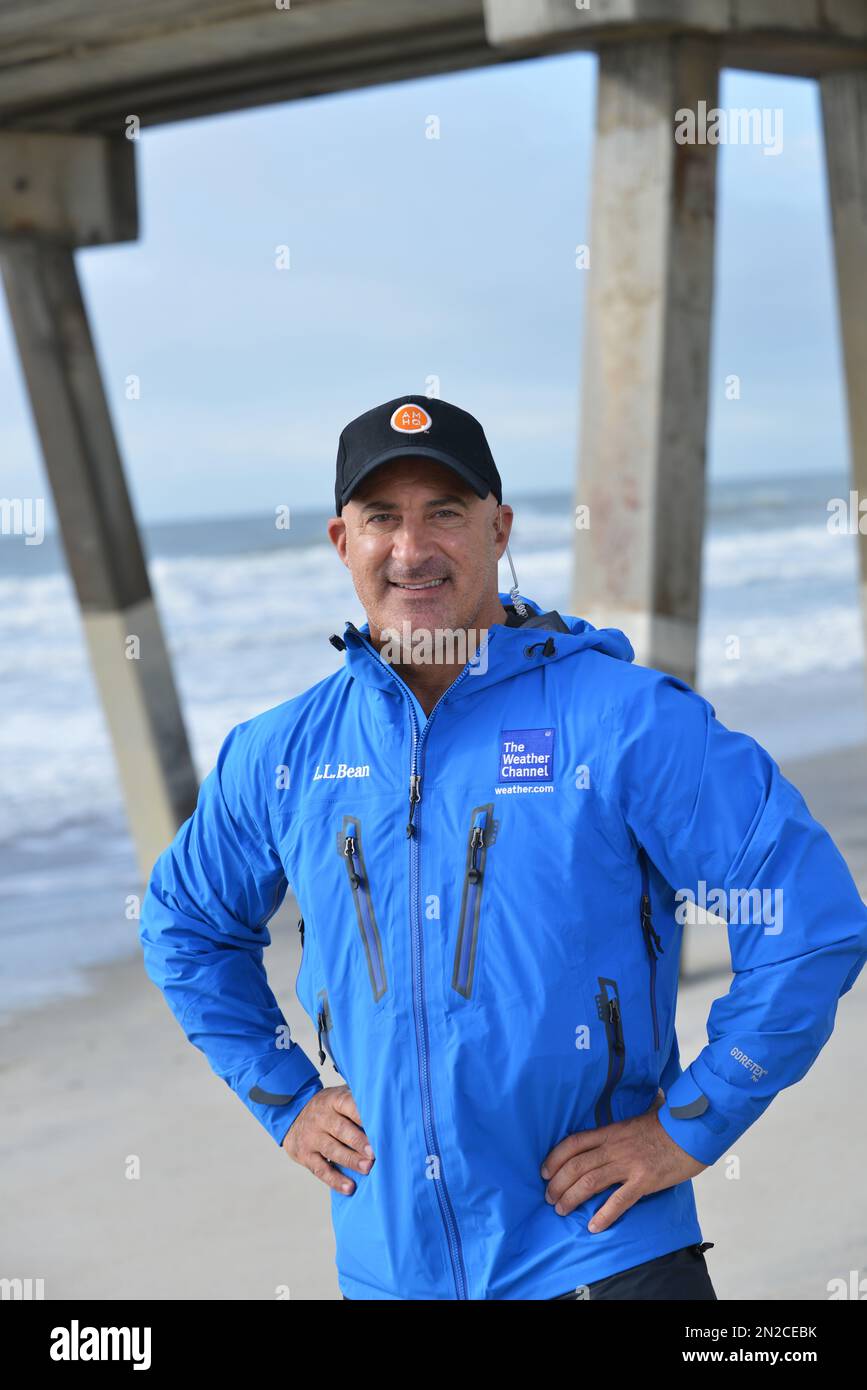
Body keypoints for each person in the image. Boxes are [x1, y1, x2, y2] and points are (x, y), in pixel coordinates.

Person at [139, 394, 867, 1301]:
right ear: (340, 541)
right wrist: (282, 1095)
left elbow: (809, 916)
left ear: (499, 528)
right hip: (388, 1271)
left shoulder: (622, 720)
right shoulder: (283, 752)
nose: (411, 549)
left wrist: (693, 1122)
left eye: (444, 512)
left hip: (601, 1257)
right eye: (381, 519)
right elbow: (183, 926)